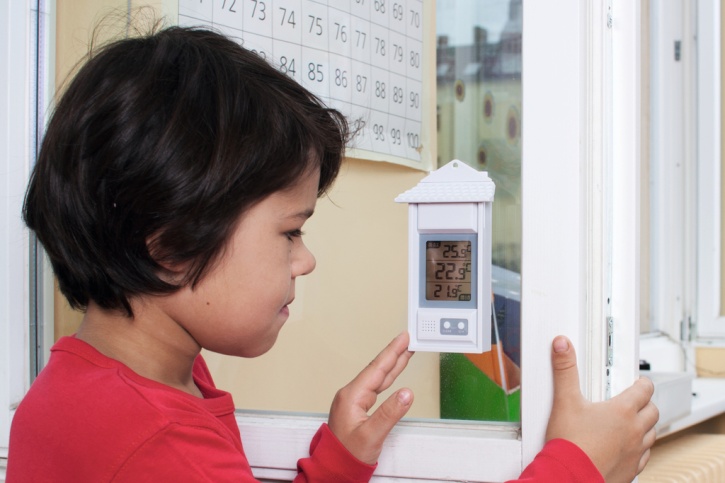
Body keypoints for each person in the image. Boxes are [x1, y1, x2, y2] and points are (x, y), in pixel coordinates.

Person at [7, 24, 657, 482]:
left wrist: (336, 463)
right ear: (172, 245)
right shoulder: (157, 442)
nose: (305, 260)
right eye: (290, 232)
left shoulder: (104, 392)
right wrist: (578, 467)